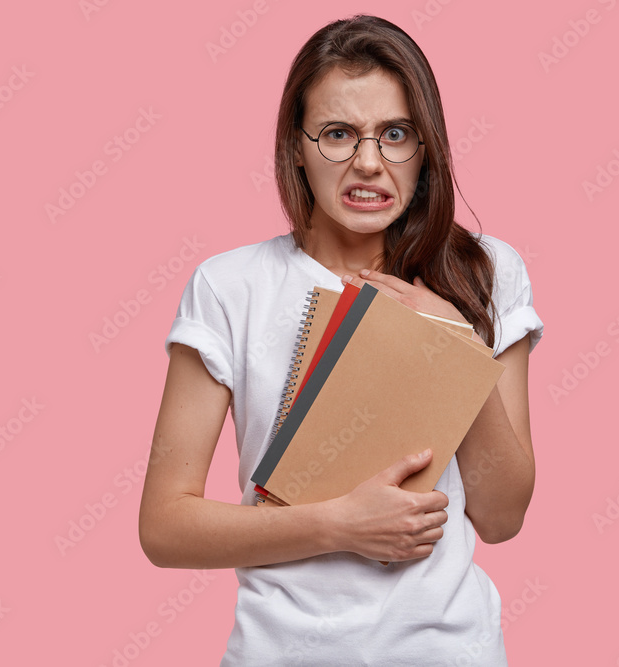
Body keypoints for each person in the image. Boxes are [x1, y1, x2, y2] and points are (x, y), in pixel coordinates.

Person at [138, 14, 544, 666]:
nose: (367, 162)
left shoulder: (485, 273)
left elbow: (501, 517)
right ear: (295, 147)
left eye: (394, 134)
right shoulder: (230, 286)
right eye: (337, 134)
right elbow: (164, 526)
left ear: (425, 146)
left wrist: (449, 337)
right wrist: (338, 525)